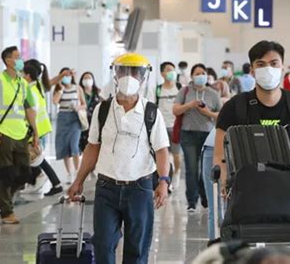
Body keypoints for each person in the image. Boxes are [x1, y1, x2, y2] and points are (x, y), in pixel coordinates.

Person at [67, 53, 170, 264]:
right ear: (115, 75)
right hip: (107, 187)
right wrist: (78, 180)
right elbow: (92, 147)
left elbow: (161, 150)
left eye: (135, 72)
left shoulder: (151, 112)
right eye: (124, 71)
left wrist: (163, 181)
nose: (129, 77)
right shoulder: (102, 109)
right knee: (103, 245)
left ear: (143, 77)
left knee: (137, 249)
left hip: (140, 188)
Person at [214, 40, 290, 195]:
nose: (268, 69)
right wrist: (225, 185)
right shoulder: (235, 106)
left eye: (274, 63)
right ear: (252, 70)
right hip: (246, 189)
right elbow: (219, 154)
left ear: (282, 67)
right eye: (261, 64)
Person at [0, 46, 39, 224]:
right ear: (8, 60)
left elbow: (29, 108)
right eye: (18, 57)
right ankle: (6, 211)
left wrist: (36, 133)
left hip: (22, 133)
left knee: (25, 173)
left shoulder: (23, 83)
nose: (21, 59)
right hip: (4, 133)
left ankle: (2, 196)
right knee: (6, 172)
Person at [173, 63, 222, 212]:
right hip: (188, 134)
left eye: (203, 73)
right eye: (197, 73)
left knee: (205, 169)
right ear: (192, 76)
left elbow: (220, 114)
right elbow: (175, 110)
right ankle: (191, 202)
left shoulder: (213, 93)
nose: (200, 76)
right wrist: (190, 105)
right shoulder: (185, 91)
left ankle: (206, 198)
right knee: (192, 168)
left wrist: (207, 113)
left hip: (207, 135)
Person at [22, 64, 63, 196]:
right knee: (36, 158)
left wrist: (33, 132)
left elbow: (32, 112)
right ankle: (51, 182)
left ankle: (46, 180)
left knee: (35, 158)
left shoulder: (31, 91)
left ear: (28, 75)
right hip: (38, 128)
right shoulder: (35, 86)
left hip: (35, 129)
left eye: (23, 73)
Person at [53, 67, 86, 184]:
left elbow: (84, 104)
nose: (67, 77)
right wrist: (61, 89)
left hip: (75, 118)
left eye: (69, 75)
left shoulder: (77, 88)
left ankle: (78, 172)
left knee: (74, 145)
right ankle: (69, 173)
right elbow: (55, 101)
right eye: (65, 75)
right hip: (63, 118)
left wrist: (78, 108)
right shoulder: (58, 88)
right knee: (64, 146)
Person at [157, 61, 182, 189]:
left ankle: (177, 173)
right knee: (163, 154)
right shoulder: (158, 89)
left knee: (176, 154)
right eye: (168, 70)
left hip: (176, 126)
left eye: (173, 69)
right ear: (162, 73)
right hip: (161, 127)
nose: (171, 72)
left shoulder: (180, 87)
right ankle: (166, 178)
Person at [79, 72, 101, 153]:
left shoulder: (98, 93)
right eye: (85, 78)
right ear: (81, 80)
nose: (87, 80)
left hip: (95, 122)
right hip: (82, 122)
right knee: (82, 145)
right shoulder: (79, 92)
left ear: (93, 80)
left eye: (89, 78)